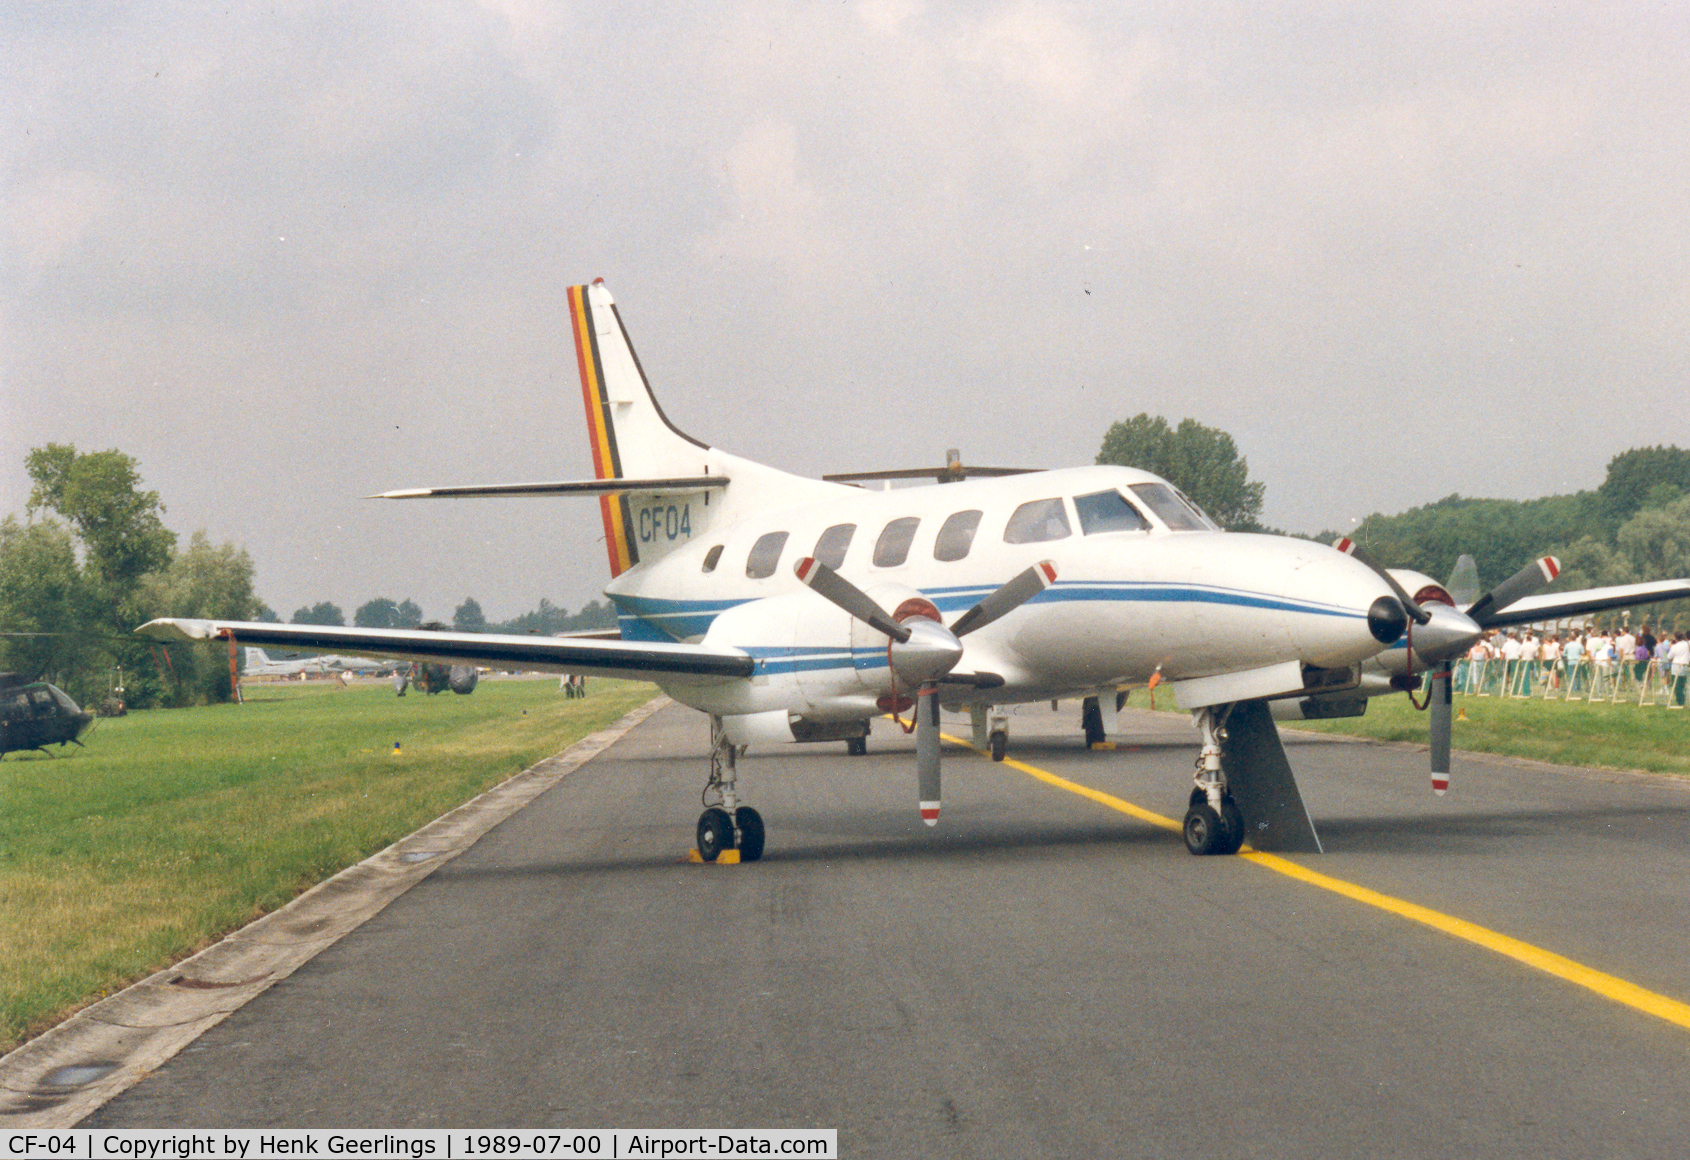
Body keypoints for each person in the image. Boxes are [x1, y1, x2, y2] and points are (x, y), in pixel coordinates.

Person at [1670, 632, 1690, 709]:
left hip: (1676, 667)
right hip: (1684, 666)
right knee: (1682, 684)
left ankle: (1680, 702)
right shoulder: (1687, 644)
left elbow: (1669, 656)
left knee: (1676, 686)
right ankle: (1682, 701)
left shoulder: (1675, 646)